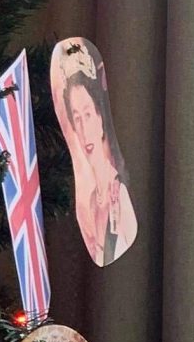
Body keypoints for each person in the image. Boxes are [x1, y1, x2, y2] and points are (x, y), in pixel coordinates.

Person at [51, 39, 137, 267]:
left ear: (100, 118)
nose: (83, 128)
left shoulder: (120, 197)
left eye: (88, 115)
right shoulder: (89, 202)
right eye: (77, 118)